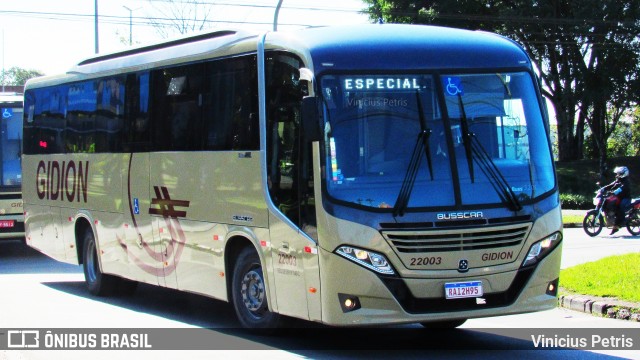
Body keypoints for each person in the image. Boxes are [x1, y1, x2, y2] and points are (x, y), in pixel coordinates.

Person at [602, 166, 631, 234]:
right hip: (618, 198)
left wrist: (615, 192)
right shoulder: (618, 180)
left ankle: (619, 224)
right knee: (609, 203)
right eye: (617, 173)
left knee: (620, 207)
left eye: (619, 173)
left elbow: (622, 188)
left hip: (626, 199)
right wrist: (603, 189)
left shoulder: (626, 181)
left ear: (624, 173)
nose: (617, 174)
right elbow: (611, 185)